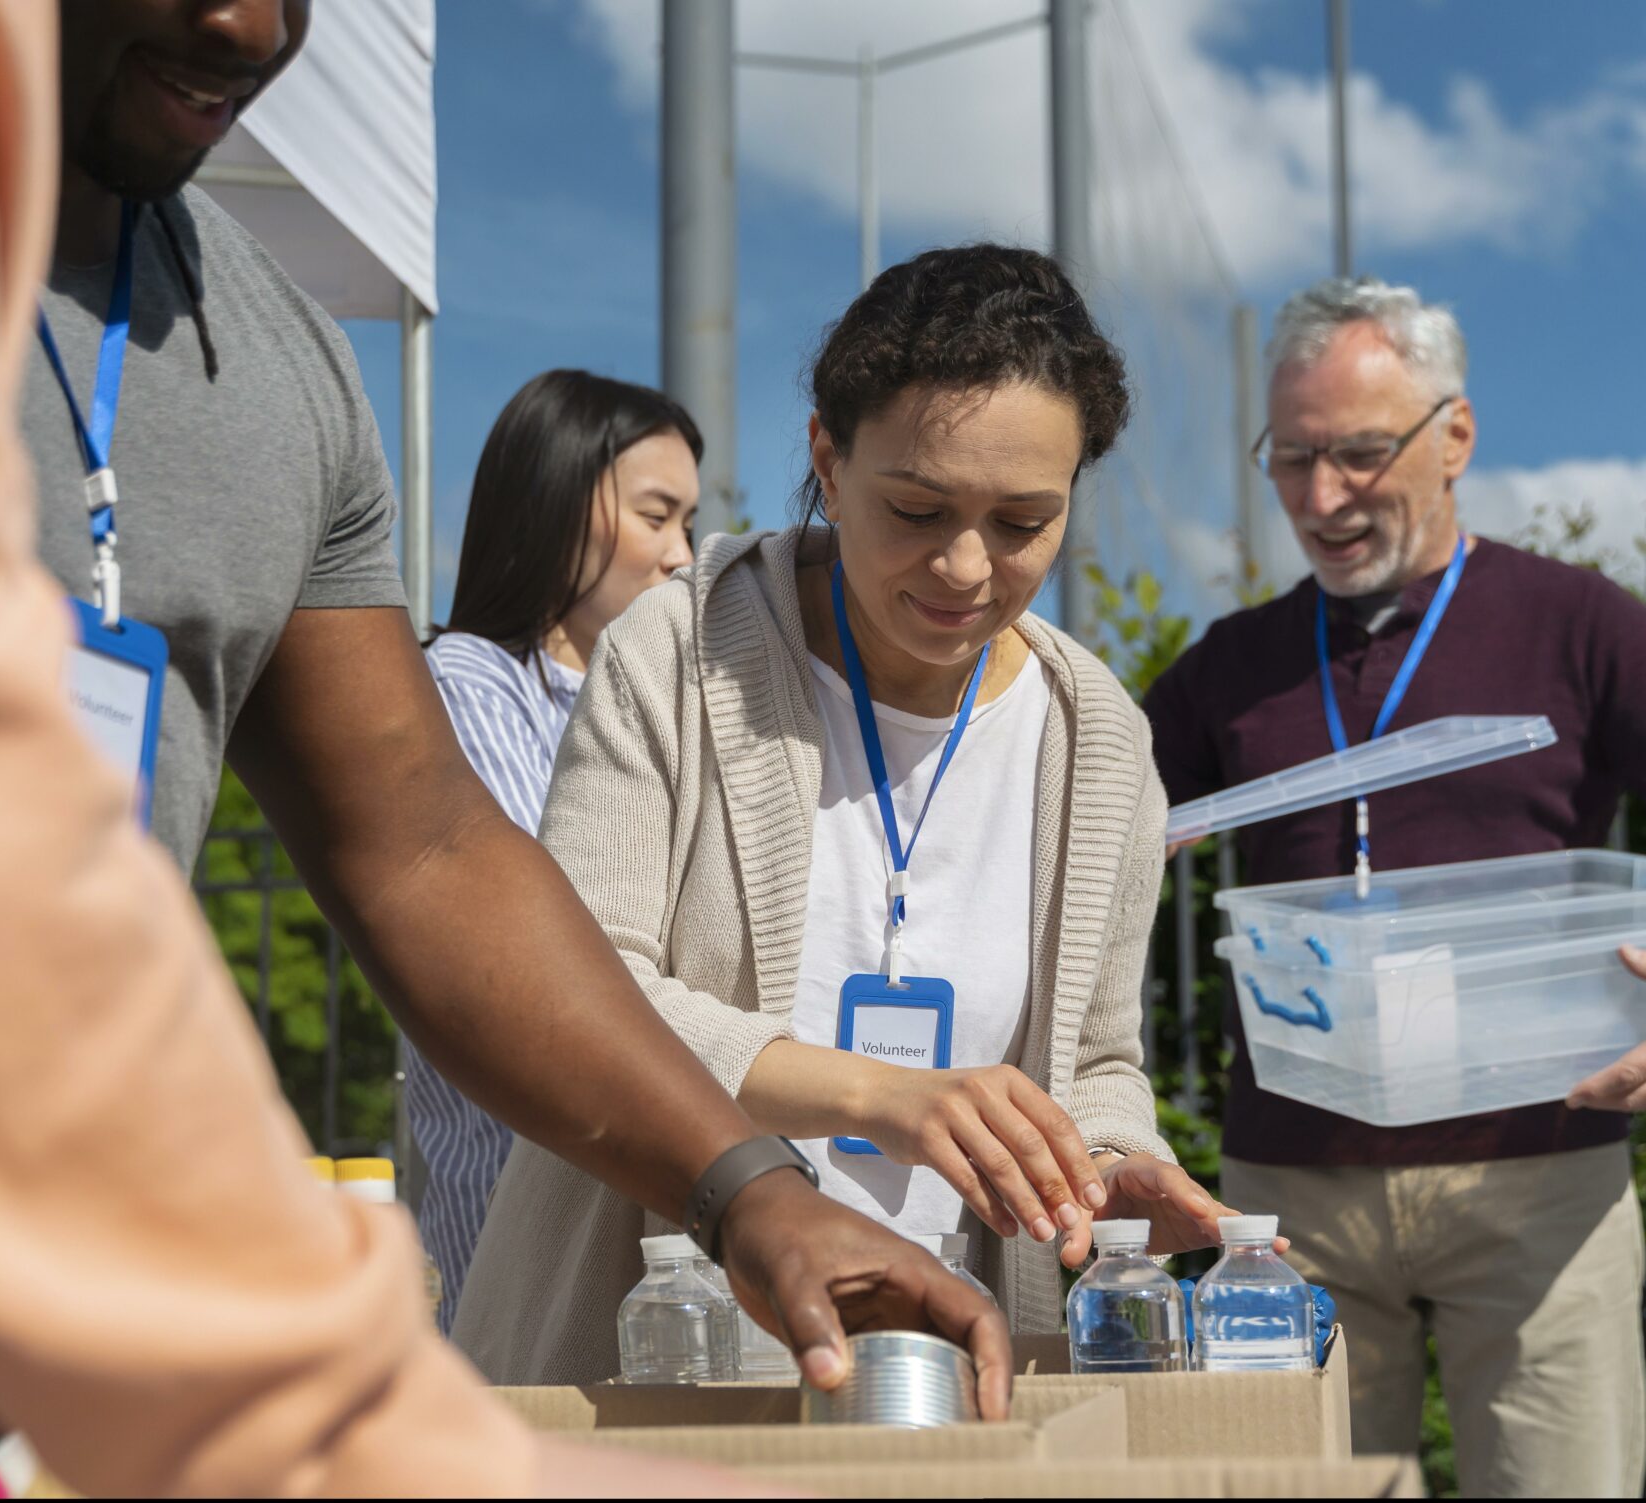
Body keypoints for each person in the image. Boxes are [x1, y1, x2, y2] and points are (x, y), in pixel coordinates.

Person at [0, 0, 987, 1502]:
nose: (246, 21)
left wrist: (743, 1185)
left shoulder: (281, 368)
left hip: (64, 1335)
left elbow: (427, 849)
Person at [458, 246, 1266, 1386]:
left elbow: (1094, 1055)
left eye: (1024, 519)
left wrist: (1105, 1158)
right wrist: (875, 1093)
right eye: (918, 508)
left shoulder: (1098, 741)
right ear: (827, 463)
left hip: (942, 1358)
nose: (967, 566)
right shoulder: (681, 654)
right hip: (659, 1336)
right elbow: (576, 990)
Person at [1141, 278, 1646, 1498]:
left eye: (1362, 453)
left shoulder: (1576, 625)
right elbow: (1075, 826)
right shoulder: (1233, 663)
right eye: (1293, 459)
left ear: (1456, 437)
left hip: (1538, 1179)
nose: (1322, 499)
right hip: (1289, 1201)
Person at [406, 371, 703, 1326]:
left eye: (689, 524)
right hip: (519, 1183)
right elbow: (543, 915)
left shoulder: (661, 701)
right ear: (555, 501)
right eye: (656, 516)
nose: (681, 556)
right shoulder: (468, 683)